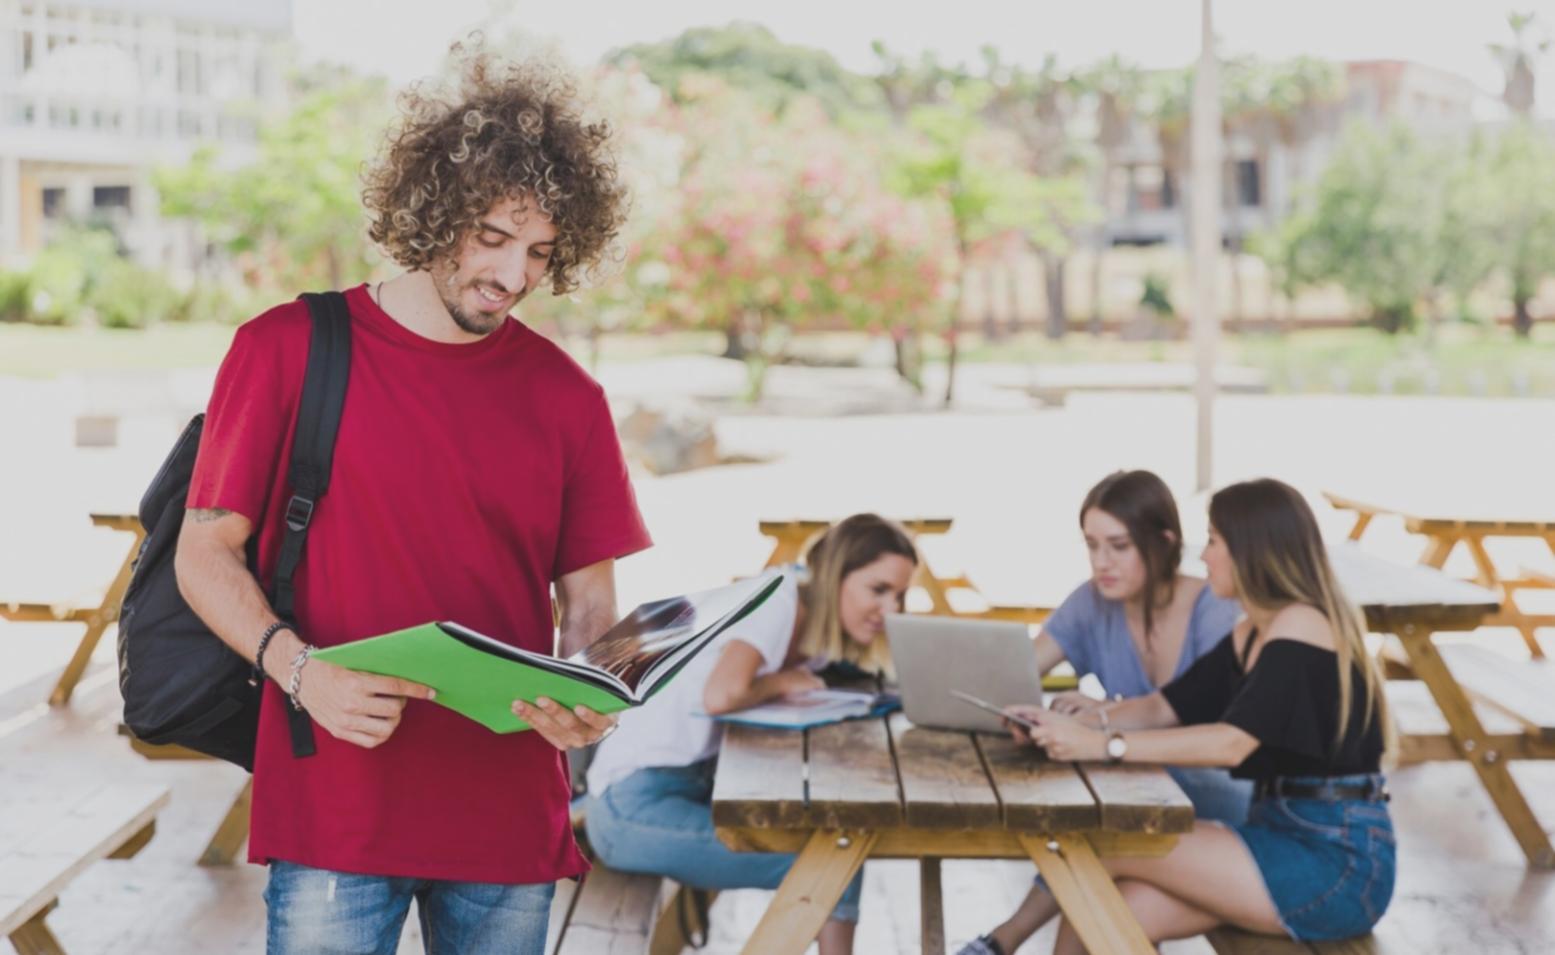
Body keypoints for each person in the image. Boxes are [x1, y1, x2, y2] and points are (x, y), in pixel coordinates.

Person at [174, 45, 650, 955]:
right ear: (437, 209)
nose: (513, 276)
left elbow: (589, 605)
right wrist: (299, 669)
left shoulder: (569, 399)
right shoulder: (284, 348)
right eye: (495, 237)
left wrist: (594, 696)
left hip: (507, 816)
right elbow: (205, 551)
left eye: (542, 252)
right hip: (335, 806)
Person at [1006, 478, 1395, 952]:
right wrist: (1070, 725)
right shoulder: (1253, 632)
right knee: (1116, 910)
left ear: (1251, 551)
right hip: (1278, 834)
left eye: (1213, 541)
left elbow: (1232, 741)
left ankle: (1003, 943)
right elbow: (1162, 708)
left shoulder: (1303, 623)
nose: (1204, 555)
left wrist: (1104, 746)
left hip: (1337, 863)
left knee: (1107, 843)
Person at [582, 514, 918, 955]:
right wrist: (780, 682)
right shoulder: (776, 598)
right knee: (833, 862)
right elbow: (722, 695)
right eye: (879, 590)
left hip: (685, 789)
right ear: (837, 574)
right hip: (630, 810)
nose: (891, 608)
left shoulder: (810, 623)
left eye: (901, 594)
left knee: (834, 842)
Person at [960, 469, 1251, 955]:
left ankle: (1005, 937)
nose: (1102, 562)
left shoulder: (1213, 608)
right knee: (1104, 851)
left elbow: (1217, 728)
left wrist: (1102, 716)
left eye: (1118, 546)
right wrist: (1024, 712)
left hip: (1224, 789)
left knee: (1101, 799)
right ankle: (1005, 938)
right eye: (1091, 545)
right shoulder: (1093, 602)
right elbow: (1020, 670)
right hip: (1142, 784)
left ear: (1163, 542)